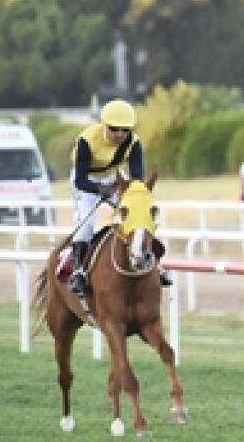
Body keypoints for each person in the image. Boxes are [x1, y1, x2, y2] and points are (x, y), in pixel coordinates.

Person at [68, 99, 172, 295]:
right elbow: (80, 181)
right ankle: (78, 271)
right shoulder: (86, 140)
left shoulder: (134, 143)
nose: (119, 134)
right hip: (87, 181)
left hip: (115, 179)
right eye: (114, 129)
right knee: (86, 223)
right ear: (104, 125)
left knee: (139, 215)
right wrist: (101, 190)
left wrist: (129, 193)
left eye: (124, 130)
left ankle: (155, 265)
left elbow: (137, 180)